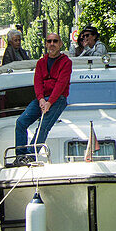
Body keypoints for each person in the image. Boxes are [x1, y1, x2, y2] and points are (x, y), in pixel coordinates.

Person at [14, 32, 72, 161]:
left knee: (43, 126)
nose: (52, 44)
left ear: (60, 44)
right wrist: (40, 98)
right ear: (46, 44)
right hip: (41, 98)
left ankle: (30, 155)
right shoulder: (41, 62)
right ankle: (20, 155)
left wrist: (49, 102)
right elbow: (38, 81)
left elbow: (61, 84)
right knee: (21, 122)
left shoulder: (66, 62)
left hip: (57, 99)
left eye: (55, 41)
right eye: (49, 41)